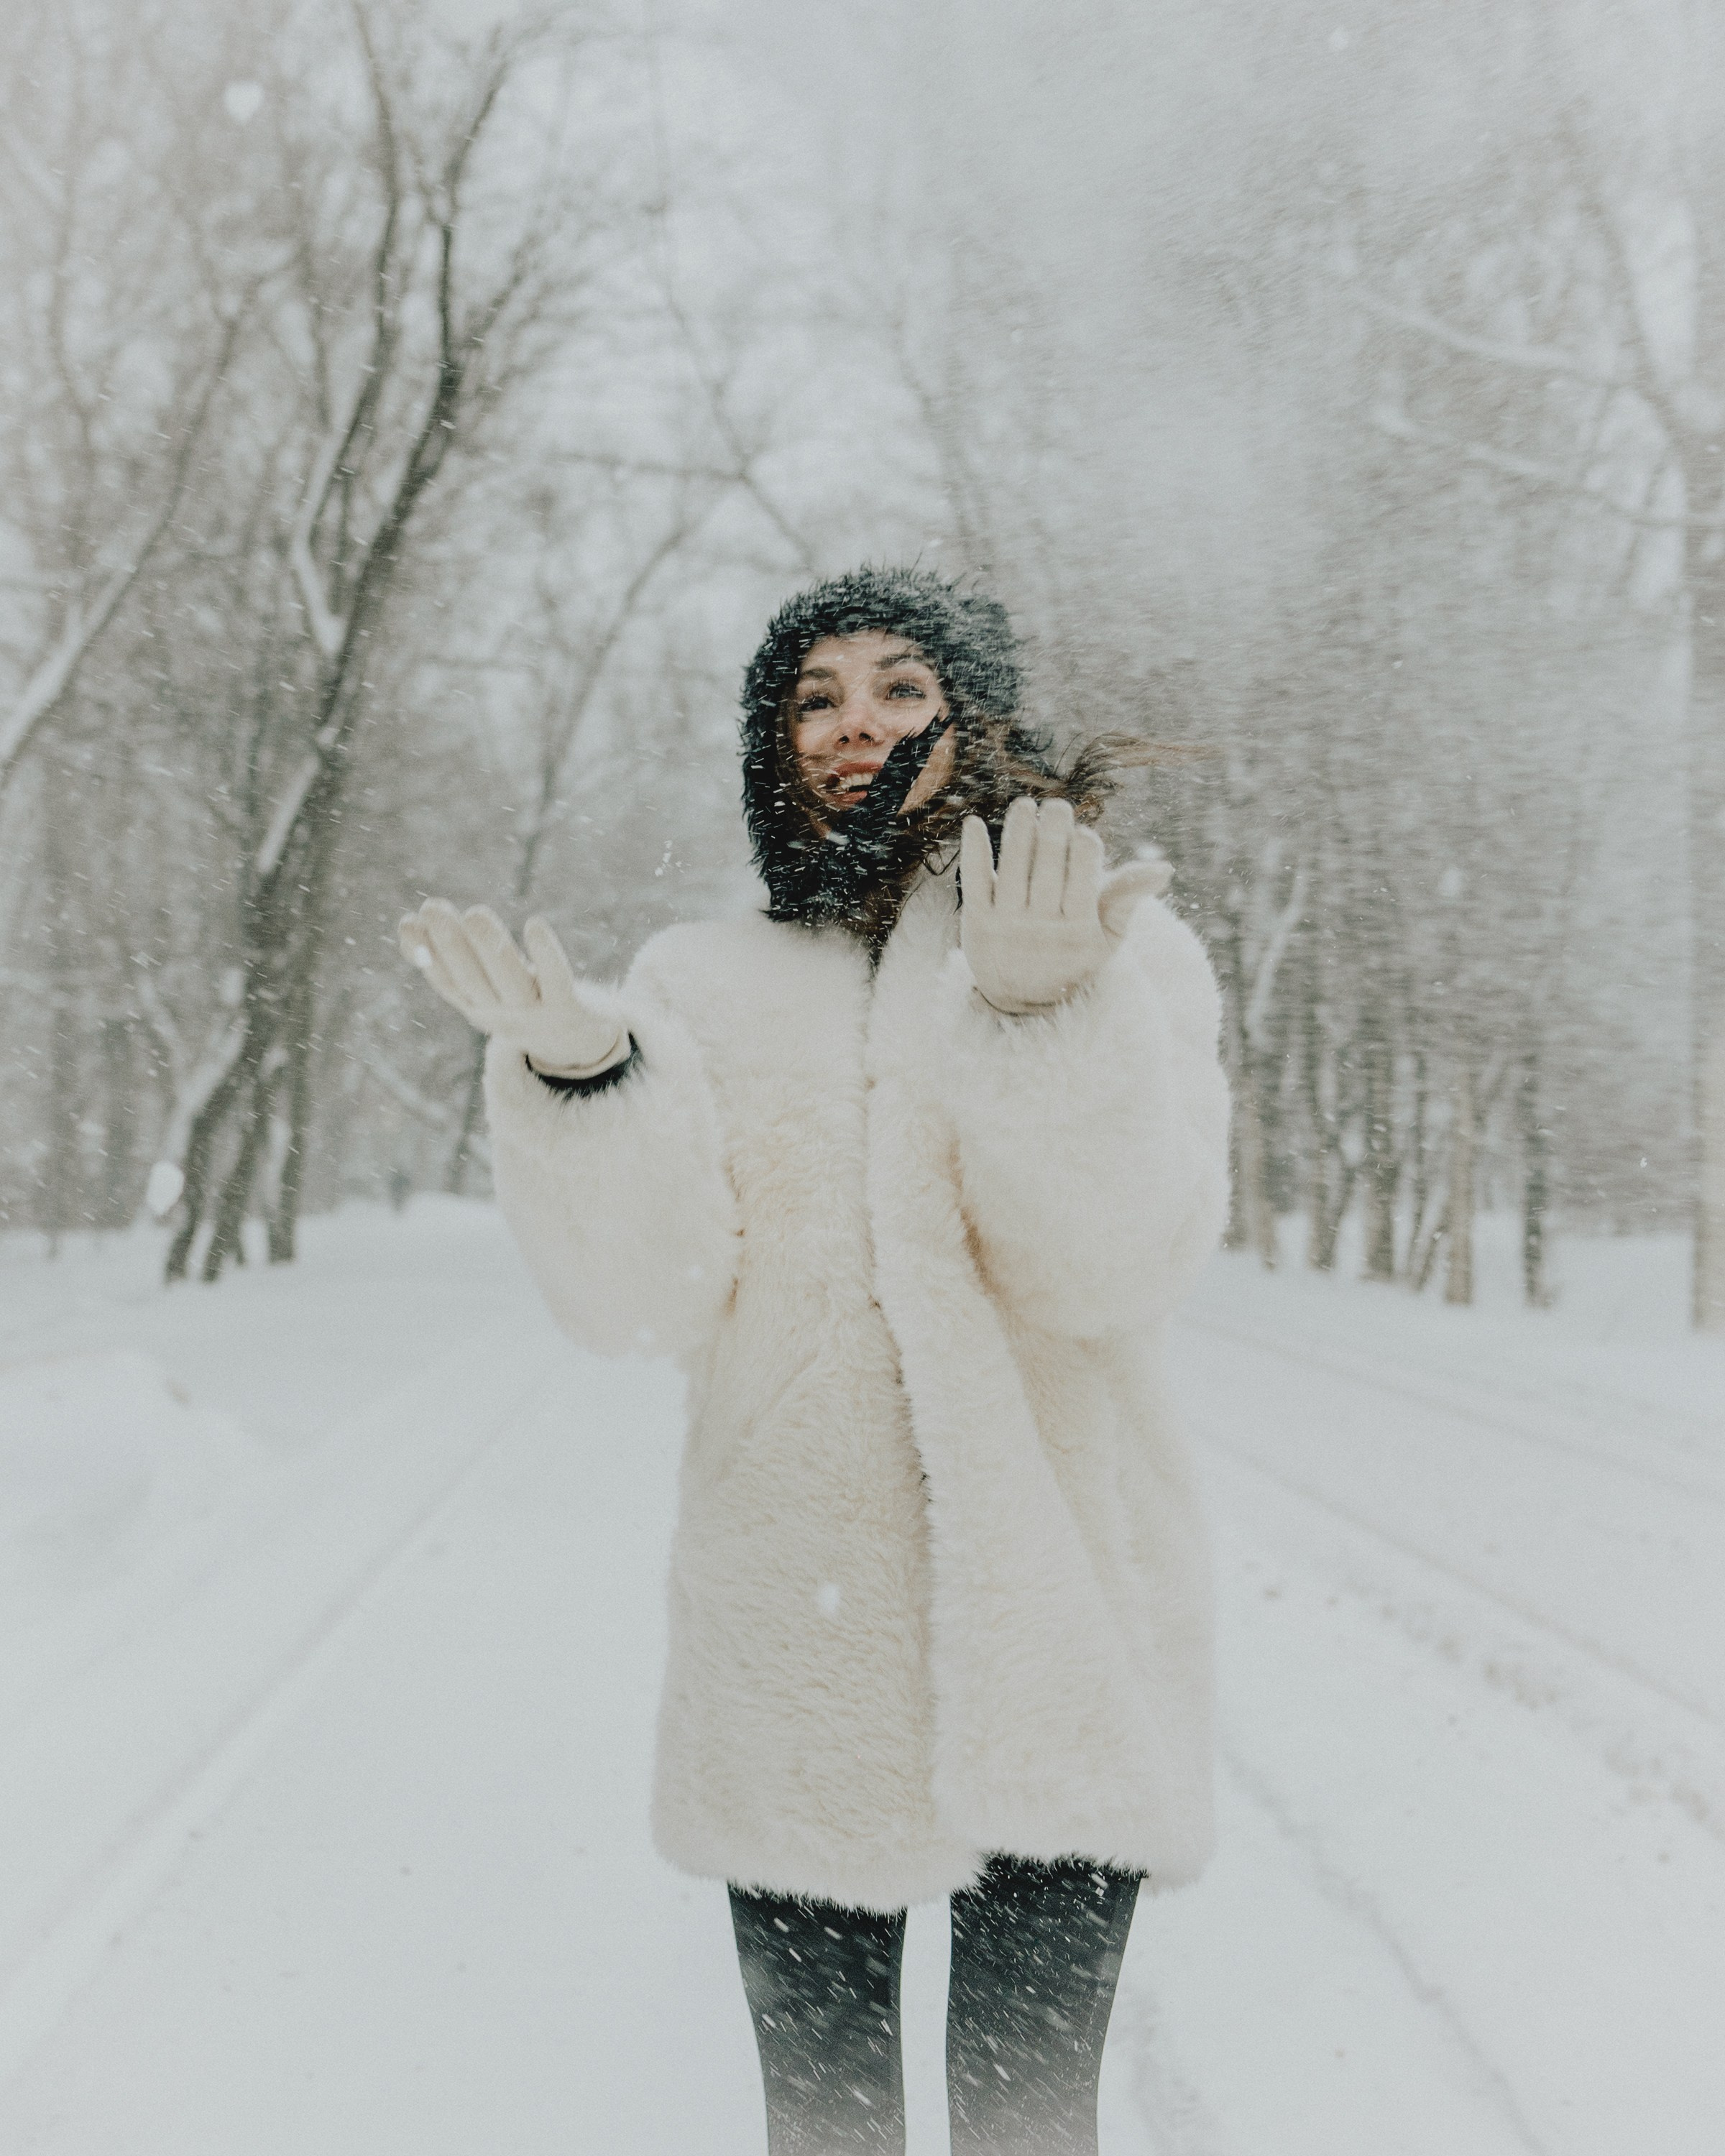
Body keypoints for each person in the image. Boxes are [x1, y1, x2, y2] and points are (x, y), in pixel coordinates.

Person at [400, 568, 1230, 2155]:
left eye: (900, 688)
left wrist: (1043, 1016)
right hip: (795, 1652)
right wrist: (588, 1084)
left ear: (974, 713)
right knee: (827, 2129)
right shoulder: (698, 987)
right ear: (770, 747)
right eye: (815, 698)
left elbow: (1111, 1274)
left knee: (1029, 2129)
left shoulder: (1115, 949)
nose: (855, 726)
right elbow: (639, 1301)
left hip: (1059, 1637)